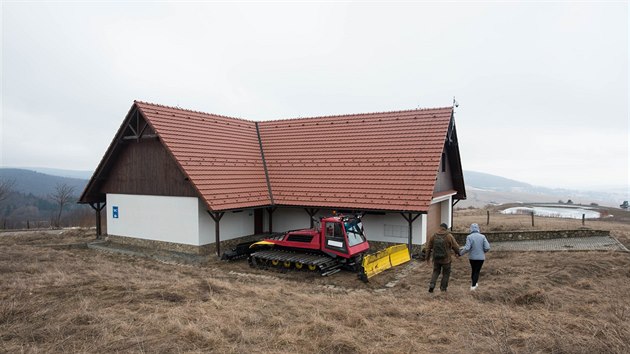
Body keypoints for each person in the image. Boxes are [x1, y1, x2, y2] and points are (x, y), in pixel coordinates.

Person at [425, 223, 461, 293]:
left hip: (436, 259)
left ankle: (432, 284)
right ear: (446, 228)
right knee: (446, 274)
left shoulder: (433, 236)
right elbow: (456, 246)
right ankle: (443, 289)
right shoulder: (449, 236)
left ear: (440, 228)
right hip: (446, 260)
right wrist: (458, 253)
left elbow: (428, 247)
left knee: (436, 271)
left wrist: (427, 258)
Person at [459, 223, 491, 291]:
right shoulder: (483, 237)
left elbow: (467, 248)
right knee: (477, 271)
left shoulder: (469, 237)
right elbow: (487, 247)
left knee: (473, 270)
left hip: (472, 257)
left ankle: (474, 284)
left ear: (471, 229)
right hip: (481, 258)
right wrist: (483, 251)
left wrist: (460, 253)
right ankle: (473, 285)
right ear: (478, 229)